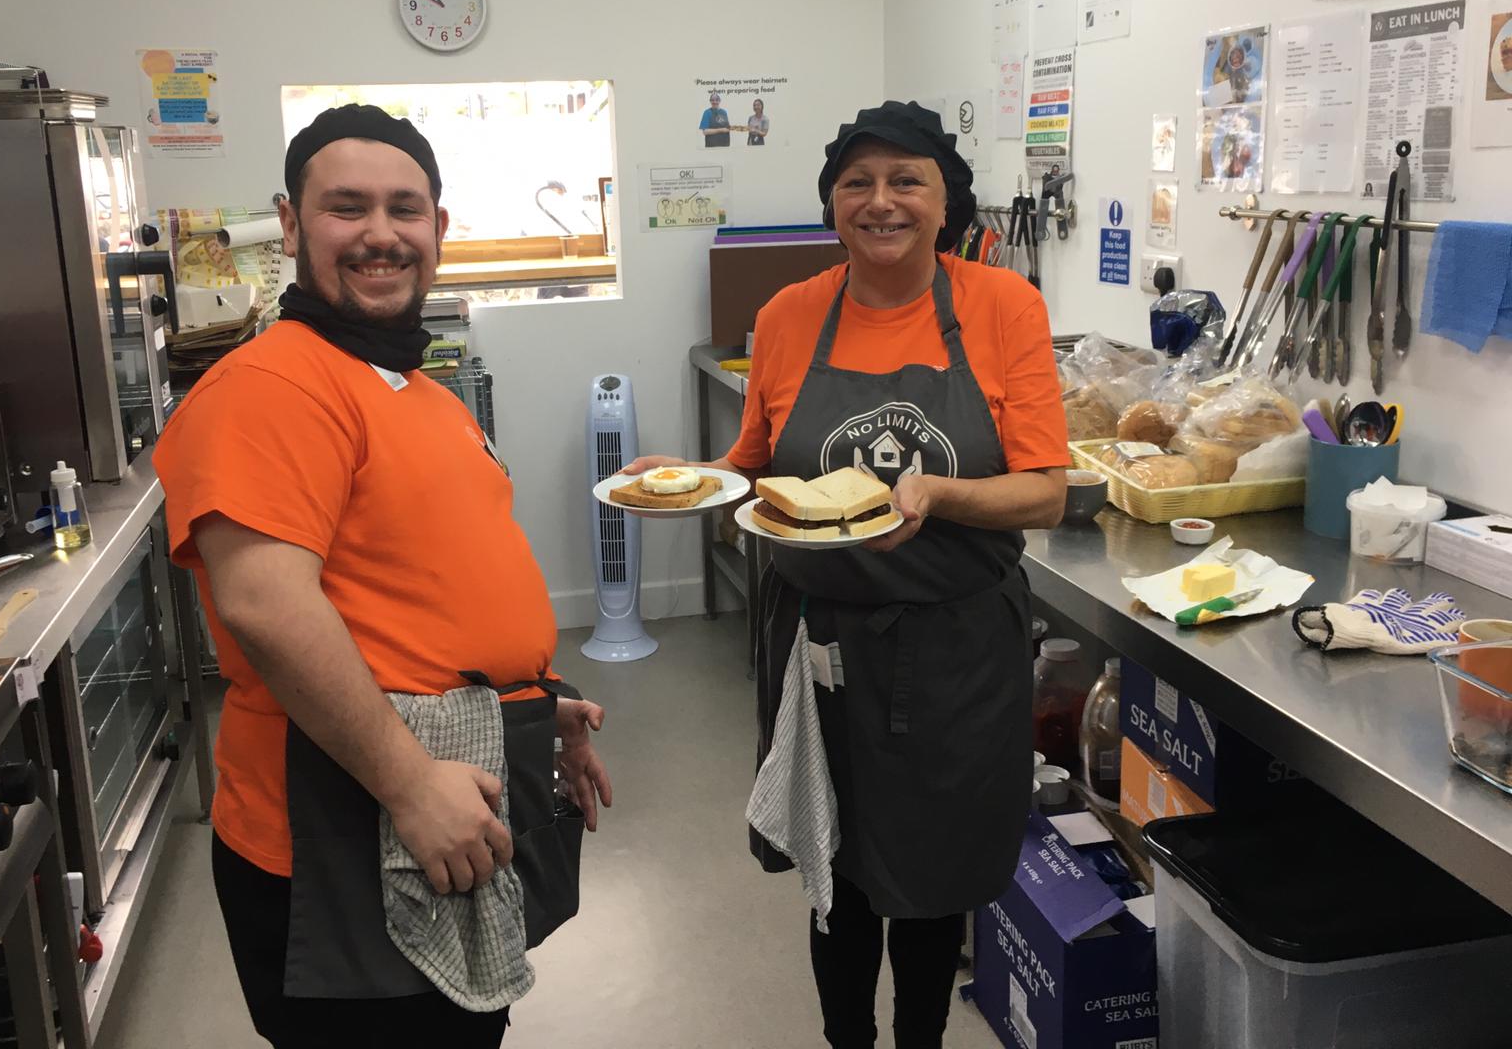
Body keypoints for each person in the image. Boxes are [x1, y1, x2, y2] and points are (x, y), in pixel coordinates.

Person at [153, 104, 612, 1049]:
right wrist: (408, 786)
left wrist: (532, 704)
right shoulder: (271, 386)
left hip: (449, 783)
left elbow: (415, 586)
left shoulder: (411, 386)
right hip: (339, 835)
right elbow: (267, 607)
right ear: (291, 224)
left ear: (438, 228)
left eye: (405, 209)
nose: (380, 234)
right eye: (346, 207)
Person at [628, 101, 1068, 1047]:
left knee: (932, 877)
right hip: (818, 642)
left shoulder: (1004, 307)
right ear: (832, 203)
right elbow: (752, 468)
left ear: (946, 203)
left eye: (906, 180)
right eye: (856, 182)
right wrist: (682, 479)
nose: (881, 201)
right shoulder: (789, 315)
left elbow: (1043, 492)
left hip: (955, 651)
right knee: (834, 867)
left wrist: (938, 496)